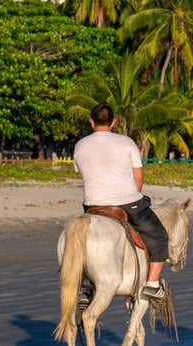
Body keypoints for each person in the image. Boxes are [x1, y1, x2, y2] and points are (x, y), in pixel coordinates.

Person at [74, 102, 169, 299]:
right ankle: (152, 284)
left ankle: (85, 289)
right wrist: (132, 196)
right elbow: (138, 178)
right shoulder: (126, 142)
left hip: (93, 205)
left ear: (91, 122)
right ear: (114, 122)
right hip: (128, 203)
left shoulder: (80, 145)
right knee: (159, 236)